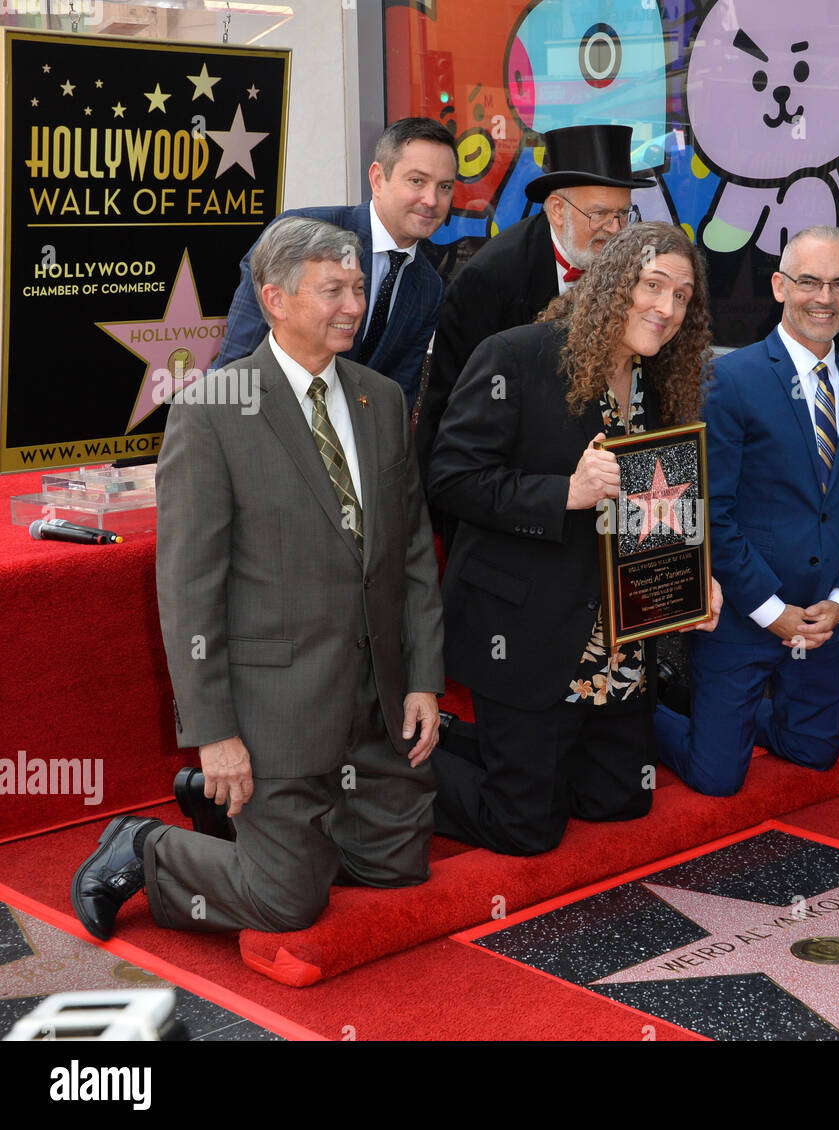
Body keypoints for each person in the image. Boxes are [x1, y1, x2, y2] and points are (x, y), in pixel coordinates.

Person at [71, 217, 445, 939]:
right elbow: (188, 588)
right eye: (331, 289)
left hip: (376, 700)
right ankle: (146, 849)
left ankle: (261, 825)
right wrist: (215, 734)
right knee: (289, 902)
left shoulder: (382, 399)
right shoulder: (213, 408)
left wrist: (424, 675)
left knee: (396, 868)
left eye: (359, 288)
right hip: (276, 705)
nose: (353, 306)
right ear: (273, 298)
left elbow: (412, 554)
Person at [427, 221, 717, 856]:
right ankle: (380, 765)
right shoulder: (517, 355)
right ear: (613, 283)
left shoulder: (658, 382)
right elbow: (450, 479)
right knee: (526, 828)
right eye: (652, 286)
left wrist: (696, 574)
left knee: (618, 803)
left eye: (682, 296)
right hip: (524, 629)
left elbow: (657, 504)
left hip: (616, 639)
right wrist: (565, 492)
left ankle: (460, 739)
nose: (666, 309)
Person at [655, 225, 839, 797]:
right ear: (780, 286)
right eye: (809, 281)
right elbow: (713, 514)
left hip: (820, 624)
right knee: (717, 779)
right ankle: (631, 714)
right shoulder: (728, 381)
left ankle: (714, 716)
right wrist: (770, 610)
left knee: (814, 752)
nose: (823, 298)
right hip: (743, 617)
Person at [414, 124, 652, 531]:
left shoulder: (635, 271)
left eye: (622, 214)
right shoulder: (491, 280)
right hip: (517, 515)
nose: (615, 230)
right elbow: (452, 435)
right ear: (557, 209)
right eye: (599, 214)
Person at [213, 117, 457, 411]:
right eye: (417, 181)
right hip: (268, 430)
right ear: (378, 179)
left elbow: (395, 401)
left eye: (444, 186)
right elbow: (237, 365)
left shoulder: (427, 287)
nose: (431, 200)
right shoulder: (302, 234)